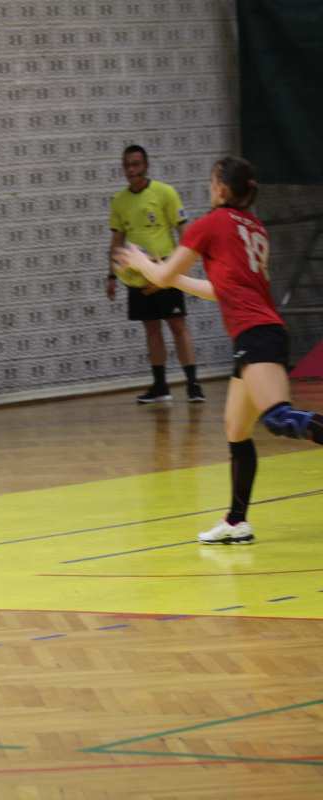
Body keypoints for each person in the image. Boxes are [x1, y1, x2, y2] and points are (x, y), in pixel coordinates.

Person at [117, 156, 323, 545]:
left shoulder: (210, 224)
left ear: (222, 188)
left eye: (212, 181)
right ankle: (236, 522)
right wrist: (172, 277)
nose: (209, 187)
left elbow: (161, 275)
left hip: (257, 334)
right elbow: (219, 290)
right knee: (236, 429)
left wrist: (141, 261)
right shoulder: (252, 226)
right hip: (260, 332)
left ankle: (236, 520)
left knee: (278, 418)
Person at [108, 145, 205, 404]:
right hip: (137, 276)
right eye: (127, 165)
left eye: (136, 164)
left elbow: (185, 234)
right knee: (151, 329)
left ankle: (193, 384)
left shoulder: (165, 193)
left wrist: (180, 267)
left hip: (167, 272)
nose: (132, 170)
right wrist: (112, 275)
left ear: (146, 165)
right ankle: (160, 386)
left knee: (177, 325)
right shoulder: (119, 201)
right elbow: (117, 242)